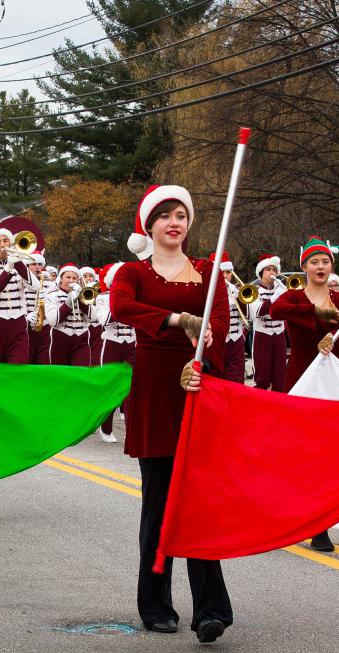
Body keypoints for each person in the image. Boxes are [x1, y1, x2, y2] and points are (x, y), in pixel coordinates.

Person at [110, 185, 233, 644]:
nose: (173, 222)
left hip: (196, 383)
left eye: (180, 214)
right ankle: (156, 604)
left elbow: (219, 322)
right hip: (155, 393)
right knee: (159, 505)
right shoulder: (133, 272)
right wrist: (179, 319)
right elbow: (121, 306)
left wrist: (200, 353)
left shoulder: (208, 270)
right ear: (150, 225)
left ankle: (211, 610)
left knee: (200, 502)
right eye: (164, 215)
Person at [269, 236, 339, 552]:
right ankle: (293, 515)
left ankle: (320, 526)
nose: (320, 266)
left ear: (332, 266)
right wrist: (316, 316)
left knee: (329, 458)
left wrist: (334, 338)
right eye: (314, 262)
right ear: (305, 267)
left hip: (334, 388)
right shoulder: (294, 297)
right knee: (300, 455)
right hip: (301, 384)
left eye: (325, 261)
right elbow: (275, 309)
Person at [0, 227, 36, 363]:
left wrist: (19, 264)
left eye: (5, 241)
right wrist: (8, 268)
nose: (2, 245)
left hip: (19, 322)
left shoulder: (19, 265)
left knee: (19, 366)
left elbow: (36, 287)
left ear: (11, 244)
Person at [95, 262, 136, 443]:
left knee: (132, 388)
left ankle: (133, 430)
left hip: (133, 344)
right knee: (111, 388)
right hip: (112, 343)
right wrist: (122, 302)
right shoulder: (103, 298)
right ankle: (106, 428)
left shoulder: (138, 297)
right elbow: (105, 320)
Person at [42, 263, 96, 365]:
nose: (71, 280)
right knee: (61, 375)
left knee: (81, 373)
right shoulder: (52, 296)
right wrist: (68, 303)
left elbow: (93, 318)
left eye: (74, 278)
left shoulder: (84, 295)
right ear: (61, 279)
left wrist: (81, 300)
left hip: (81, 339)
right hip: (60, 339)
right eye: (68, 277)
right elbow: (53, 321)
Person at [248, 253, 287, 391]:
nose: (271, 272)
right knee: (262, 378)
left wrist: (287, 296)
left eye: (274, 269)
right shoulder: (253, 291)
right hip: (262, 336)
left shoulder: (281, 290)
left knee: (280, 378)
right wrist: (276, 296)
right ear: (261, 272)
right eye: (268, 269)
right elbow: (258, 312)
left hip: (279, 335)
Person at [218, 251, 247, 383]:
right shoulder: (209, 291)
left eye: (228, 272)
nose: (225, 276)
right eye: (222, 272)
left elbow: (248, 315)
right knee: (218, 380)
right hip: (218, 341)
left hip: (236, 341)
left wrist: (238, 295)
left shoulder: (237, 291)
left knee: (236, 380)